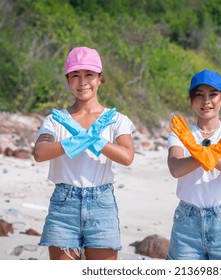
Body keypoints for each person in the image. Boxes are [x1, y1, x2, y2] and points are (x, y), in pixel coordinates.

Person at [33, 46, 135, 260]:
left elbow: (127, 156)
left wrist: (96, 139)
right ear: (68, 80)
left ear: (100, 78)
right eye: (75, 75)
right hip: (64, 205)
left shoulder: (116, 120)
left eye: (89, 74)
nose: (82, 82)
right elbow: (40, 153)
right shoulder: (55, 120)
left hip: (102, 203)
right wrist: (74, 141)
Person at [167, 69, 221, 260]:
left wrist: (211, 154)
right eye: (199, 95)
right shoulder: (180, 134)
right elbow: (176, 168)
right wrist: (203, 154)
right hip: (187, 221)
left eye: (213, 94)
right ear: (191, 100)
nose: (206, 101)